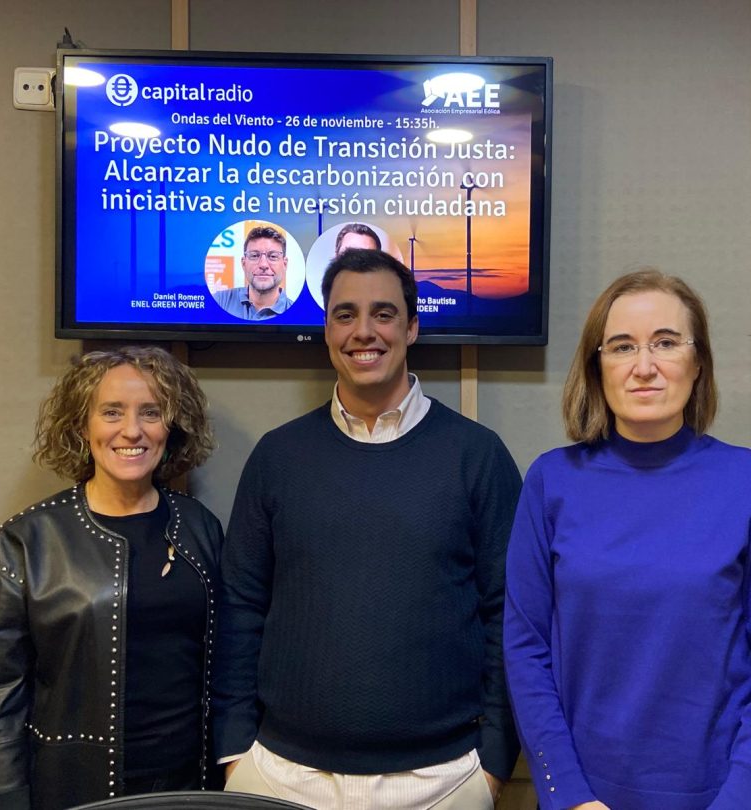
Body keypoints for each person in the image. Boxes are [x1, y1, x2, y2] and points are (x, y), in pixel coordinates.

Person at [213, 249, 523, 809]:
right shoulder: (277, 457)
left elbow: (509, 611)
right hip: (283, 776)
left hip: (442, 780)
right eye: (345, 314)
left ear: (412, 327)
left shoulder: (477, 456)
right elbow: (240, 605)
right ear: (327, 330)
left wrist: (494, 761)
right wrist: (236, 751)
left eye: (383, 314)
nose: (364, 331)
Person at [504, 269, 751, 810]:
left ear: (698, 364)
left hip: (728, 797)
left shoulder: (749, 482)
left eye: (666, 343)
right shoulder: (551, 482)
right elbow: (526, 651)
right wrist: (568, 795)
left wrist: (740, 801)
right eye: (622, 346)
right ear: (597, 366)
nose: (644, 366)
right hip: (588, 800)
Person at [0, 347, 223, 810]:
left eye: (151, 412)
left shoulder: (200, 527)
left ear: (171, 426)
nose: (132, 430)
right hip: (74, 790)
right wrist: (1, 800)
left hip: (191, 786)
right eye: (112, 412)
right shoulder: (26, 542)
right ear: (83, 426)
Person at [213, 225, 293, 320]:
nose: (263, 265)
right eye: (254, 256)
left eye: (273, 256)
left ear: (285, 264)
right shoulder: (220, 301)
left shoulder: (299, 313)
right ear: (244, 264)